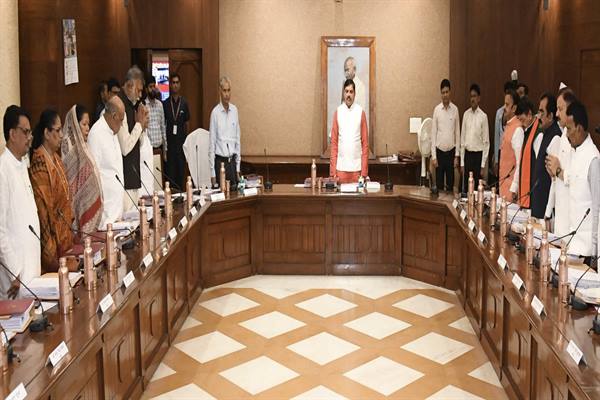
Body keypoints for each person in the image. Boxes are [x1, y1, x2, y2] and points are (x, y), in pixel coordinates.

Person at [0, 105, 41, 298]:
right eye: (25, 132)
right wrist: (13, 271)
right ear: (12, 134)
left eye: (30, 132)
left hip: (30, 267)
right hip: (15, 276)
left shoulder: (22, 164)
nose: (30, 137)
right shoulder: (2, 169)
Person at [29, 109, 74, 273]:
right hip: (53, 245)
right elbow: (44, 211)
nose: (61, 135)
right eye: (58, 130)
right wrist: (52, 255)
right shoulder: (39, 162)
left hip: (65, 238)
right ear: (47, 133)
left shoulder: (56, 159)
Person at [562, 101, 599, 262]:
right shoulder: (575, 152)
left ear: (580, 128)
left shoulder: (593, 158)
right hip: (572, 244)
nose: (566, 134)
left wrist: (595, 253)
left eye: (569, 129)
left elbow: (597, 209)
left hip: (587, 250)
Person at [61, 104, 103, 233]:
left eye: (88, 124)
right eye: (84, 124)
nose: (87, 128)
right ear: (74, 124)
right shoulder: (69, 151)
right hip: (78, 212)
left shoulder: (86, 147)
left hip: (93, 211)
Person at [88, 96, 127, 229]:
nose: (122, 124)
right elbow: (94, 177)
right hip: (106, 216)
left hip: (117, 213)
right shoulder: (96, 134)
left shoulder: (112, 132)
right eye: (121, 120)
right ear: (114, 116)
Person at [545, 89, 577, 236]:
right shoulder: (563, 135)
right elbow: (556, 179)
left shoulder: (577, 139)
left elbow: (577, 179)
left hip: (572, 219)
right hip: (559, 214)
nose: (557, 114)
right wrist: (548, 212)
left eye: (560, 109)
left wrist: (558, 171)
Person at [117, 66, 148, 206]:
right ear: (129, 85)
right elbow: (125, 148)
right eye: (138, 90)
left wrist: (142, 127)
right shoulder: (119, 106)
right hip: (124, 178)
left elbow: (138, 144)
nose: (140, 95)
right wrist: (139, 125)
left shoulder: (132, 105)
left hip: (134, 175)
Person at [329, 79, 369, 183]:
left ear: (355, 94)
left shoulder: (361, 112)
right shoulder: (338, 112)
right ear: (343, 93)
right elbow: (334, 144)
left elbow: (365, 144)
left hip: (357, 170)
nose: (348, 95)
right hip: (340, 169)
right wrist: (332, 173)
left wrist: (364, 173)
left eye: (351, 92)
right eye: (346, 91)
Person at [529, 93, 561, 220]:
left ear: (551, 116)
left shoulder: (556, 137)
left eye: (542, 112)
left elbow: (554, 180)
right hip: (538, 201)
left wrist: (547, 213)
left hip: (545, 207)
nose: (538, 116)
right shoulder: (544, 134)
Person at [209, 76, 241, 187]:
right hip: (220, 163)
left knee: (235, 194)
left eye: (228, 90)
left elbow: (238, 140)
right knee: (222, 195)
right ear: (220, 91)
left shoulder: (235, 111)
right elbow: (212, 144)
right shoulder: (215, 113)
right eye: (224, 91)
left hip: (232, 163)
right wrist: (212, 173)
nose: (227, 94)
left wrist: (238, 167)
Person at [430, 79, 460, 192]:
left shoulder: (455, 110)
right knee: (439, 185)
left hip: (451, 153)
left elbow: (457, 134)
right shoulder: (437, 110)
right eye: (443, 92)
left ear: (450, 92)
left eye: (447, 92)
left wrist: (457, 156)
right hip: (439, 153)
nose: (445, 95)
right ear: (441, 93)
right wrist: (434, 156)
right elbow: (433, 134)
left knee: (450, 185)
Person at [460, 83, 489, 191]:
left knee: (477, 189)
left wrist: (482, 165)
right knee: (467, 188)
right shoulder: (465, 115)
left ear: (479, 98)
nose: (472, 99)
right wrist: (462, 163)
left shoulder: (483, 116)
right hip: (467, 156)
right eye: (471, 96)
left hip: (478, 157)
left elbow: (486, 143)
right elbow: (462, 140)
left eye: (475, 96)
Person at [163, 73, 190, 189]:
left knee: (181, 175)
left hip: (181, 146)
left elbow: (187, 123)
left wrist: (187, 143)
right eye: (173, 83)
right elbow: (163, 124)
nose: (175, 85)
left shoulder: (184, 103)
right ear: (170, 85)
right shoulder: (165, 104)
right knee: (170, 176)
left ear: (180, 84)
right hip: (170, 147)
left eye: (177, 82)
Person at [515, 97, 542, 208]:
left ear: (529, 114)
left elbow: (539, 165)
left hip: (535, 190)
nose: (521, 124)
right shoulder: (528, 131)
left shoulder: (538, 134)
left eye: (522, 120)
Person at [498, 89, 522, 200]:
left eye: (507, 105)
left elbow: (519, 163)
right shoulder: (509, 125)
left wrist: (514, 188)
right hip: (503, 185)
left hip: (511, 189)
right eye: (504, 104)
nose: (504, 107)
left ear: (514, 108)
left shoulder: (517, 129)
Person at [144, 76, 166, 189]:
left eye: (154, 86)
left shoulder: (160, 105)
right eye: (150, 87)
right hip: (149, 149)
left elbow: (163, 126)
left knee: (159, 180)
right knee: (150, 179)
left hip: (160, 148)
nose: (153, 89)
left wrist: (165, 150)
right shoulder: (143, 106)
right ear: (146, 89)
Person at [493, 81, 516, 176]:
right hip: (501, 149)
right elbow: (497, 136)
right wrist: (496, 159)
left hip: (511, 151)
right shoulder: (499, 112)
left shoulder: (516, 117)